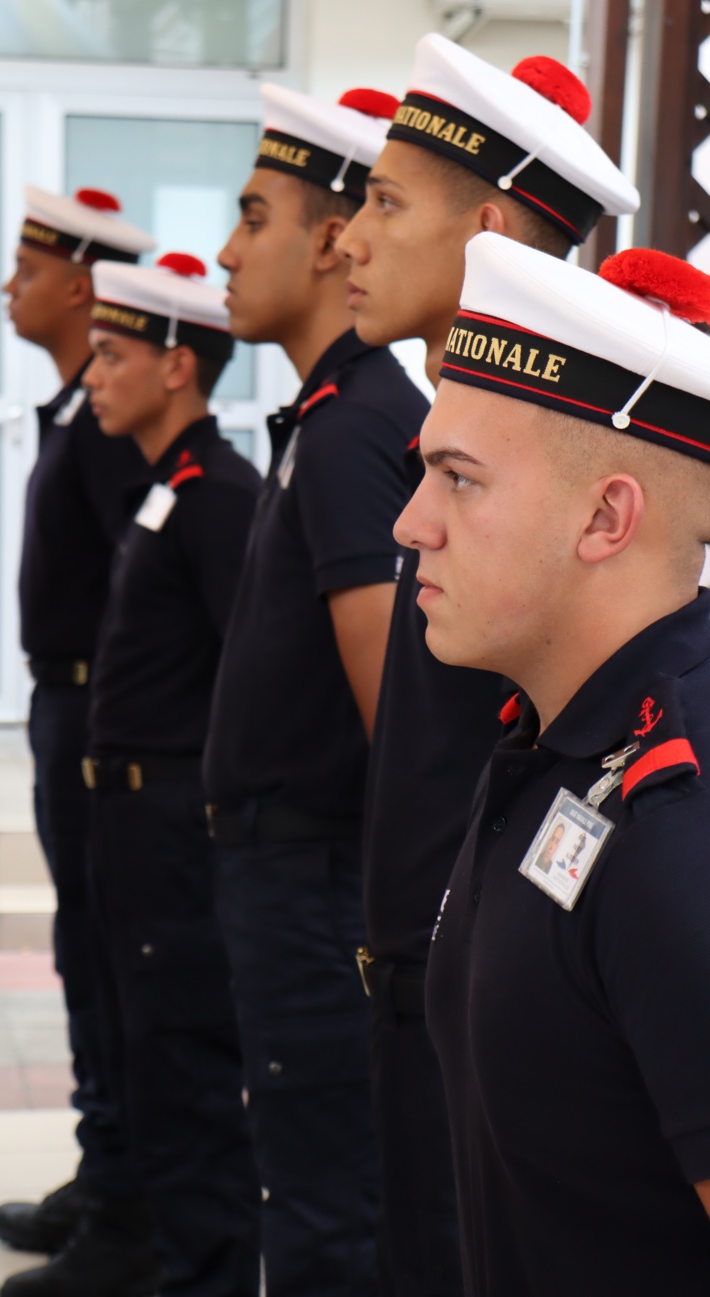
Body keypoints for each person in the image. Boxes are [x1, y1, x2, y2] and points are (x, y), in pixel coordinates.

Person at [334, 35, 639, 1296]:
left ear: (496, 230)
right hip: (430, 964)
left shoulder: (543, 480)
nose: (350, 237)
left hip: (496, 977)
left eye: (387, 201)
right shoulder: (439, 434)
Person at [399, 230, 710, 1295]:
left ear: (605, 516)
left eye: (459, 480)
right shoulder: (559, 731)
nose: (411, 524)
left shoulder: (676, 823)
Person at [203, 84, 429, 1297]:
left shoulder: (352, 429)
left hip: (314, 876)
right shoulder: (328, 415)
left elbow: (394, 709)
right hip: (284, 868)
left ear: (331, 237)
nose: (228, 253)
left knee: (328, 1205)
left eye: (254, 219)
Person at [1, 252, 262, 1297]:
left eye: (114, 356)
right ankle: (144, 1232)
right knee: (139, 1032)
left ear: (179, 368)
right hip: (127, 808)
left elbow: (242, 674)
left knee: (184, 1057)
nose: (92, 377)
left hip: (170, 816)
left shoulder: (214, 494)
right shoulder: (168, 485)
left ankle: (181, 1259)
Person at [0, 186, 154, 1256]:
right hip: (69, 704)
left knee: (104, 950)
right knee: (81, 945)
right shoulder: (72, 410)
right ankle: (104, 1167)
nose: (13, 285)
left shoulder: (102, 427)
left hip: (99, 715)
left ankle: (122, 1198)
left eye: (28, 267)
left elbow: (135, 597)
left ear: (83, 286)